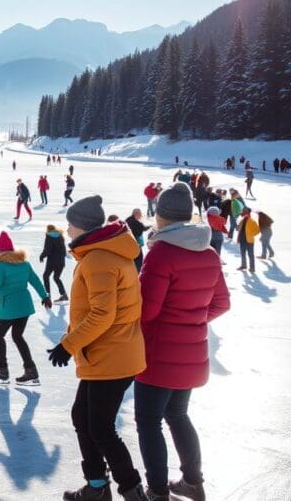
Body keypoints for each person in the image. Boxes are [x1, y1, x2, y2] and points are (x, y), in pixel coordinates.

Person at [46, 195, 147, 501]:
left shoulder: (99, 258)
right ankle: (97, 486)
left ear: (82, 227)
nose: (68, 230)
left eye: (70, 225)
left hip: (111, 355)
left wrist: (68, 345)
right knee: (82, 416)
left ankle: (131, 490)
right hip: (107, 353)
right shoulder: (102, 253)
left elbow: (103, 314)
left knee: (100, 428)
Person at [135, 184, 230, 501]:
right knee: (177, 415)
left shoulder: (161, 253)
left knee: (149, 422)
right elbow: (221, 303)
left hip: (159, 356)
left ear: (160, 216)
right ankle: (193, 482)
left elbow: (146, 311)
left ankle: (158, 492)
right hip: (191, 353)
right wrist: (190, 323)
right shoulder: (209, 252)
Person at [0, 231, 51, 386]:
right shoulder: (24, 263)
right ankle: (31, 370)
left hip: (9, 308)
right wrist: (45, 296)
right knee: (17, 336)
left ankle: (2, 370)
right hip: (25, 307)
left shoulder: (0, 265)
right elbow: (35, 281)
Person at [39, 224, 68, 303]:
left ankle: (47, 295)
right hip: (61, 261)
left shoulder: (49, 237)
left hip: (52, 261)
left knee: (46, 276)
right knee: (56, 277)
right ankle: (64, 294)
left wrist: (42, 256)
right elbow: (64, 250)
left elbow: (48, 249)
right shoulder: (61, 236)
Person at [236, 207, 259, 273]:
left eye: (245, 212)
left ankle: (252, 267)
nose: (243, 213)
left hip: (249, 241)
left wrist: (251, 234)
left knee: (250, 254)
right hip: (242, 240)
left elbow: (257, 230)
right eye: (243, 212)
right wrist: (238, 227)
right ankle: (243, 265)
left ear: (248, 213)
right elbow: (239, 228)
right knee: (242, 253)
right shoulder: (242, 220)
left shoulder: (252, 221)